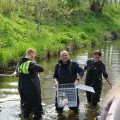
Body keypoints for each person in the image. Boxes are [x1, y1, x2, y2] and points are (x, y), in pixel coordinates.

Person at [12, 48, 44, 120]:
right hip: (32, 88)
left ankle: (25, 117)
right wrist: (33, 63)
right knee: (37, 106)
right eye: (34, 55)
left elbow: (16, 71)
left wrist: (15, 73)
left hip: (22, 88)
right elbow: (41, 69)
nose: (34, 56)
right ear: (32, 54)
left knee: (25, 105)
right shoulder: (30, 63)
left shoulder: (20, 62)